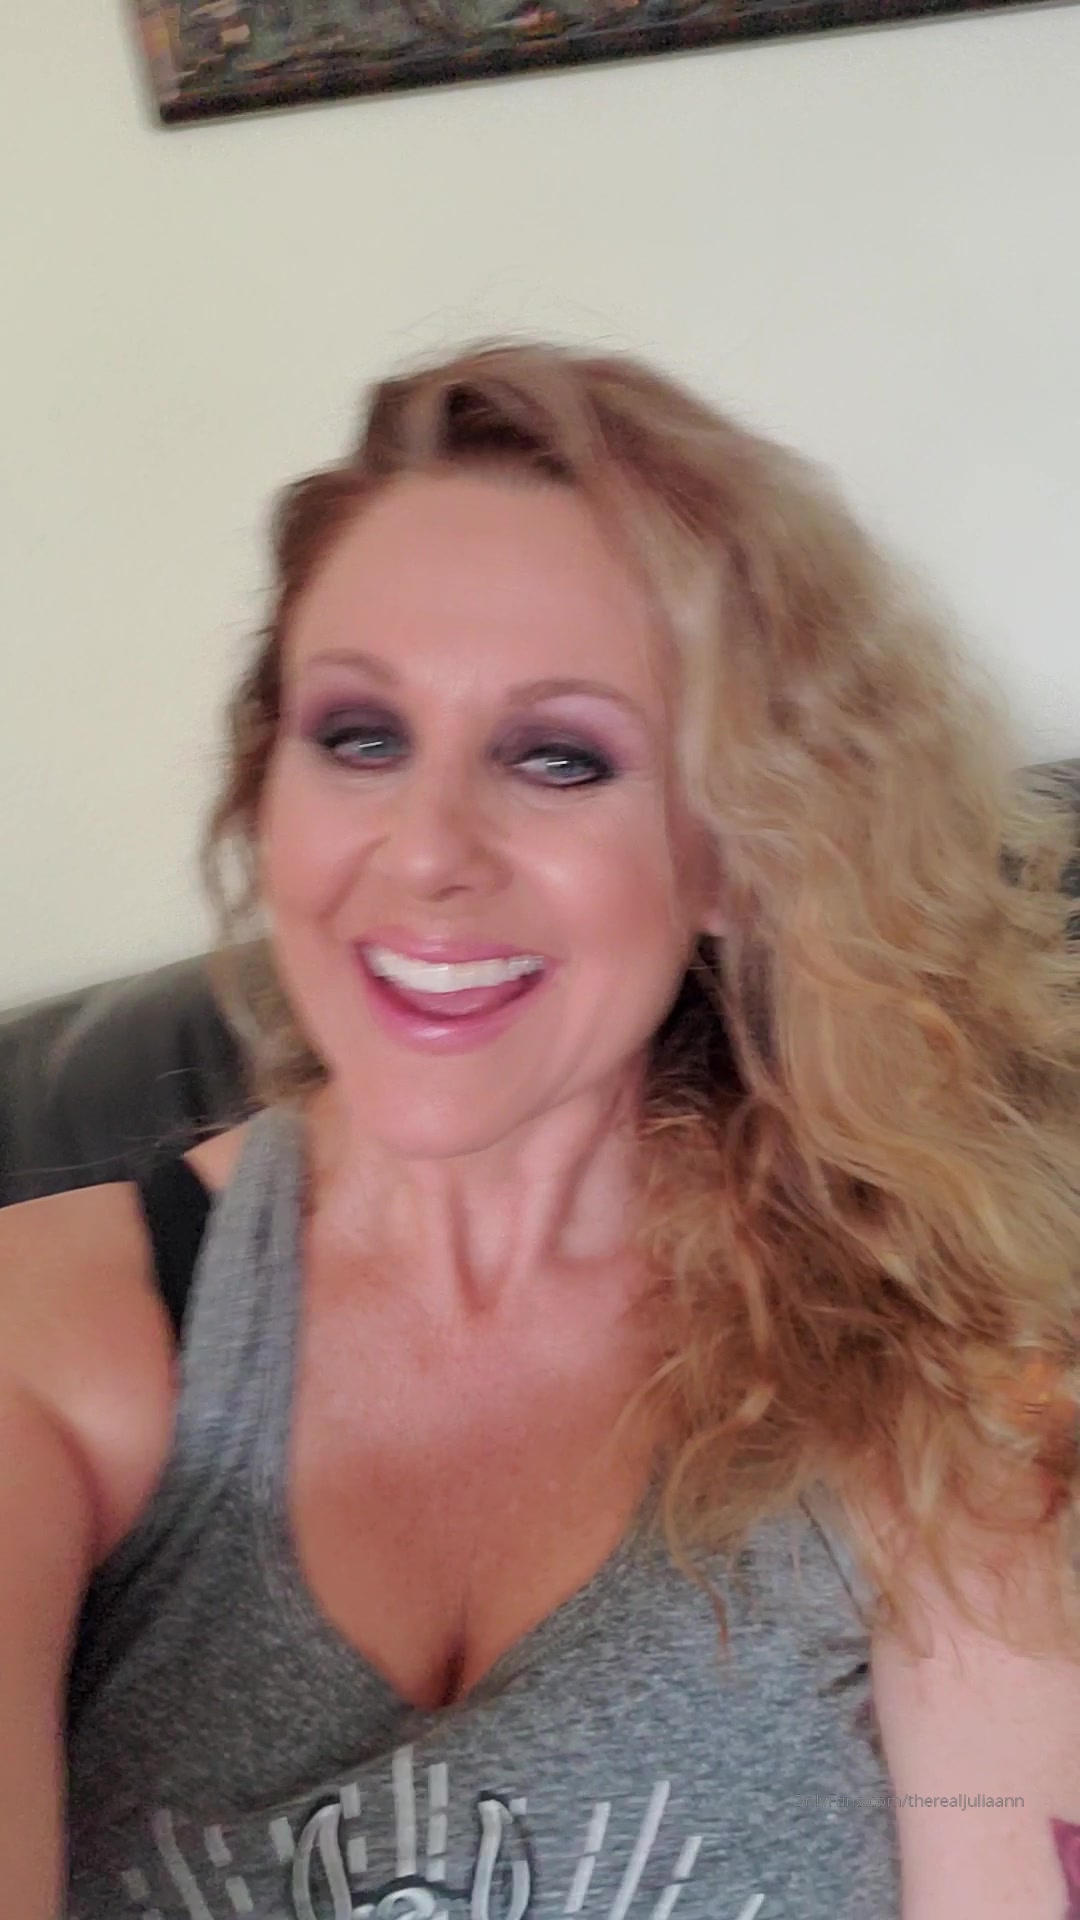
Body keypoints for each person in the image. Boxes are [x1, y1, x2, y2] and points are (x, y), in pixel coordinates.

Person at [1, 341, 1078, 1920]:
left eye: (559, 756)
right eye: (360, 737)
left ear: (740, 853)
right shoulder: (46, 1342)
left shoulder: (932, 1387)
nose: (427, 851)